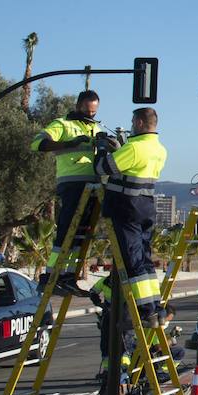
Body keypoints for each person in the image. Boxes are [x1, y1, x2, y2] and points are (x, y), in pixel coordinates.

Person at [94, 108, 167, 329]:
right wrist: (121, 149)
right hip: (145, 208)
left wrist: (101, 149)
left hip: (126, 209)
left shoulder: (135, 148)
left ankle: (146, 311)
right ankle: (155, 306)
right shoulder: (159, 149)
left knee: (133, 261)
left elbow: (102, 168)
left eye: (133, 122)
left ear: (139, 122)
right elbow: (131, 168)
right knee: (144, 260)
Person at [30, 90, 103, 293]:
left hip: (93, 186)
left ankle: (69, 276)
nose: (90, 115)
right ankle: (51, 276)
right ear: (78, 105)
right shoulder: (62, 124)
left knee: (80, 235)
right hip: (71, 184)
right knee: (66, 232)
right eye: (87, 111)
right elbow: (37, 143)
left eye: (94, 112)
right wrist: (68, 143)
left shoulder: (96, 128)